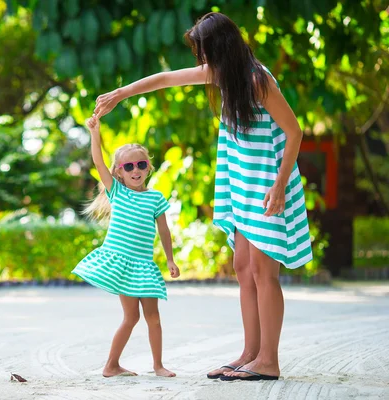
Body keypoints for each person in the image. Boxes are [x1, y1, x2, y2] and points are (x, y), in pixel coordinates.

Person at [92, 12, 313, 382]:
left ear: (220, 48)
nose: (201, 61)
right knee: (243, 268)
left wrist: (278, 185)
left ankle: (268, 360)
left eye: (204, 51)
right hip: (244, 184)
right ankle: (250, 352)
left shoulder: (257, 81)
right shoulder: (224, 75)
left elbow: (295, 132)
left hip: (268, 185)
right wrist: (120, 93)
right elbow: (165, 79)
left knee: (262, 271)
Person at [72, 116, 180, 378]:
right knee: (130, 318)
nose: (136, 170)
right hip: (121, 263)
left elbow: (163, 230)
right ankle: (111, 365)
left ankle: (158, 366)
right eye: (128, 166)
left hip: (144, 266)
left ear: (148, 168)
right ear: (118, 171)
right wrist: (95, 133)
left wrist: (170, 259)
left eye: (141, 164)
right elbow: (98, 161)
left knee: (153, 317)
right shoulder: (117, 192)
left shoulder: (156, 197)